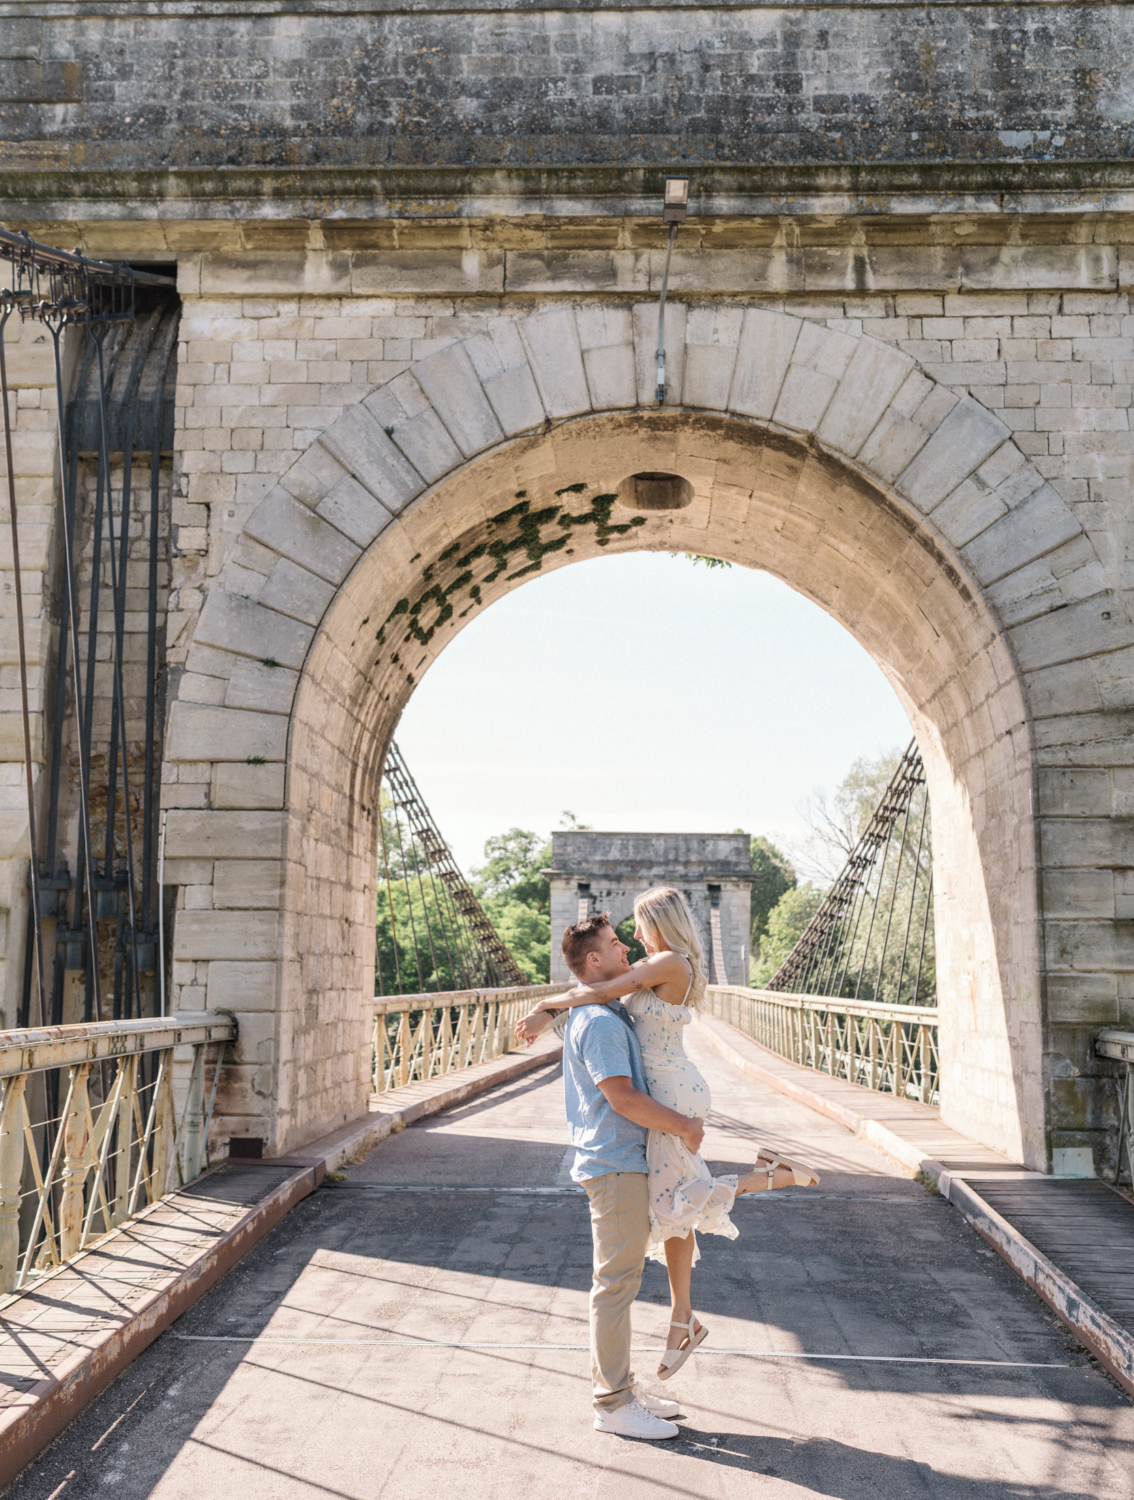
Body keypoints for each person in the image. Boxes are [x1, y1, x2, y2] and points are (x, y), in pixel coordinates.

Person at [518, 889, 819, 1390]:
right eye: (623, 936)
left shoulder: (669, 962)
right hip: (666, 1089)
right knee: (673, 1206)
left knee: (680, 1203)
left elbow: (599, 991)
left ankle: (770, 1177)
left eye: (636, 927)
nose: (633, 938)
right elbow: (599, 990)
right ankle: (683, 1318)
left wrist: (546, 1006)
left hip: (671, 1094)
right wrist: (551, 1012)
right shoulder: (660, 964)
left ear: (659, 924)